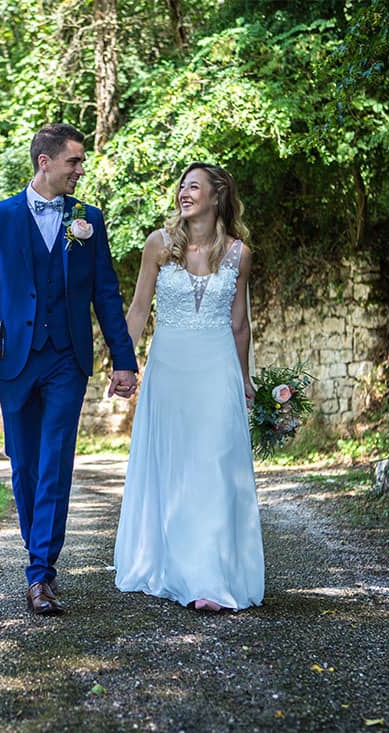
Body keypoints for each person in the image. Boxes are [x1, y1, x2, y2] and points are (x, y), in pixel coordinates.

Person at [0, 123, 139, 615]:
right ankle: (37, 551)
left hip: (67, 358)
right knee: (24, 465)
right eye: (74, 162)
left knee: (56, 461)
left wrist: (122, 360)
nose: (80, 171)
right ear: (45, 162)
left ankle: (41, 571)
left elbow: (107, 294)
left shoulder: (89, 220)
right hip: (14, 361)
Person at [113, 162, 265, 612]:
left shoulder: (240, 253)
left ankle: (211, 578)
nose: (184, 193)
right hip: (170, 370)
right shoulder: (159, 245)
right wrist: (124, 363)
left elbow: (240, 323)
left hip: (217, 368)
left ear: (217, 197)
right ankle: (172, 565)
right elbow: (139, 309)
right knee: (175, 467)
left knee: (214, 463)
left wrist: (244, 379)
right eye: (181, 186)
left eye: (194, 187)